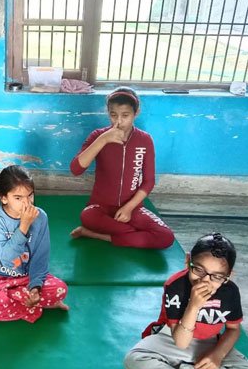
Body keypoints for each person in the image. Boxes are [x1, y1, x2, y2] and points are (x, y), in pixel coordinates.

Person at [124, 233, 248, 369]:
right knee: (134, 361)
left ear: (229, 275)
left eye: (217, 276)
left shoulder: (230, 292)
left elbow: (233, 329)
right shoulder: (176, 285)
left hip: (209, 343)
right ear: (187, 261)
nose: (205, 281)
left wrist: (217, 355)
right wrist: (193, 306)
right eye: (198, 270)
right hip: (170, 338)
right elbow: (181, 343)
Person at [69, 87, 174, 249]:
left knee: (165, 237)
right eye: (113, 115)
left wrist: (129, 208)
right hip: (100, 208)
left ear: (136, 113)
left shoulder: (145, 140)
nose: (118, 121)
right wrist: (103, 140)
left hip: (132, 208)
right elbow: (76, 169)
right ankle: (133, 234)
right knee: (87, 216)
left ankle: (94, 234)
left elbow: (149, 181)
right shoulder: (98, 135)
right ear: (108, 113)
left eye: (125, 115)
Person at [0, 165, 69, 323]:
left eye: (30, 195)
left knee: (60, 289)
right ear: (4, 198)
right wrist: (24, 225)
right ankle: (33, 304)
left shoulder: (40, 217)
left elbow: (41, 258)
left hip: (27, 277)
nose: (27, 203)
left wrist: (35, 288)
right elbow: (7, 258)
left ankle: (24, 300)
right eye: (18, 198)